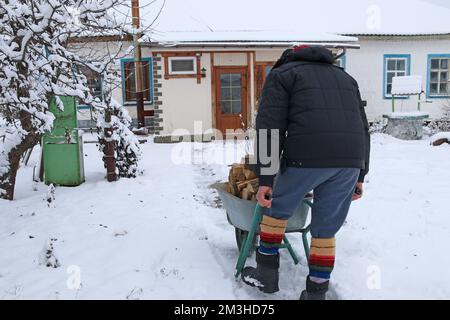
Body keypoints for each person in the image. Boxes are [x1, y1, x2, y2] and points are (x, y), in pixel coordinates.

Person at [241, 45, 370, 300]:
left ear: (288, 58)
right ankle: (317, 291)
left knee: (275, 212)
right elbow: (363, 126)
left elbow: (269, 126)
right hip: (349, 160)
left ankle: (266, 275)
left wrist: (266, 179)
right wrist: (361, 175)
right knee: (326, 228)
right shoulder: (345, 78)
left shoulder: (283, 74)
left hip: (306, 158)